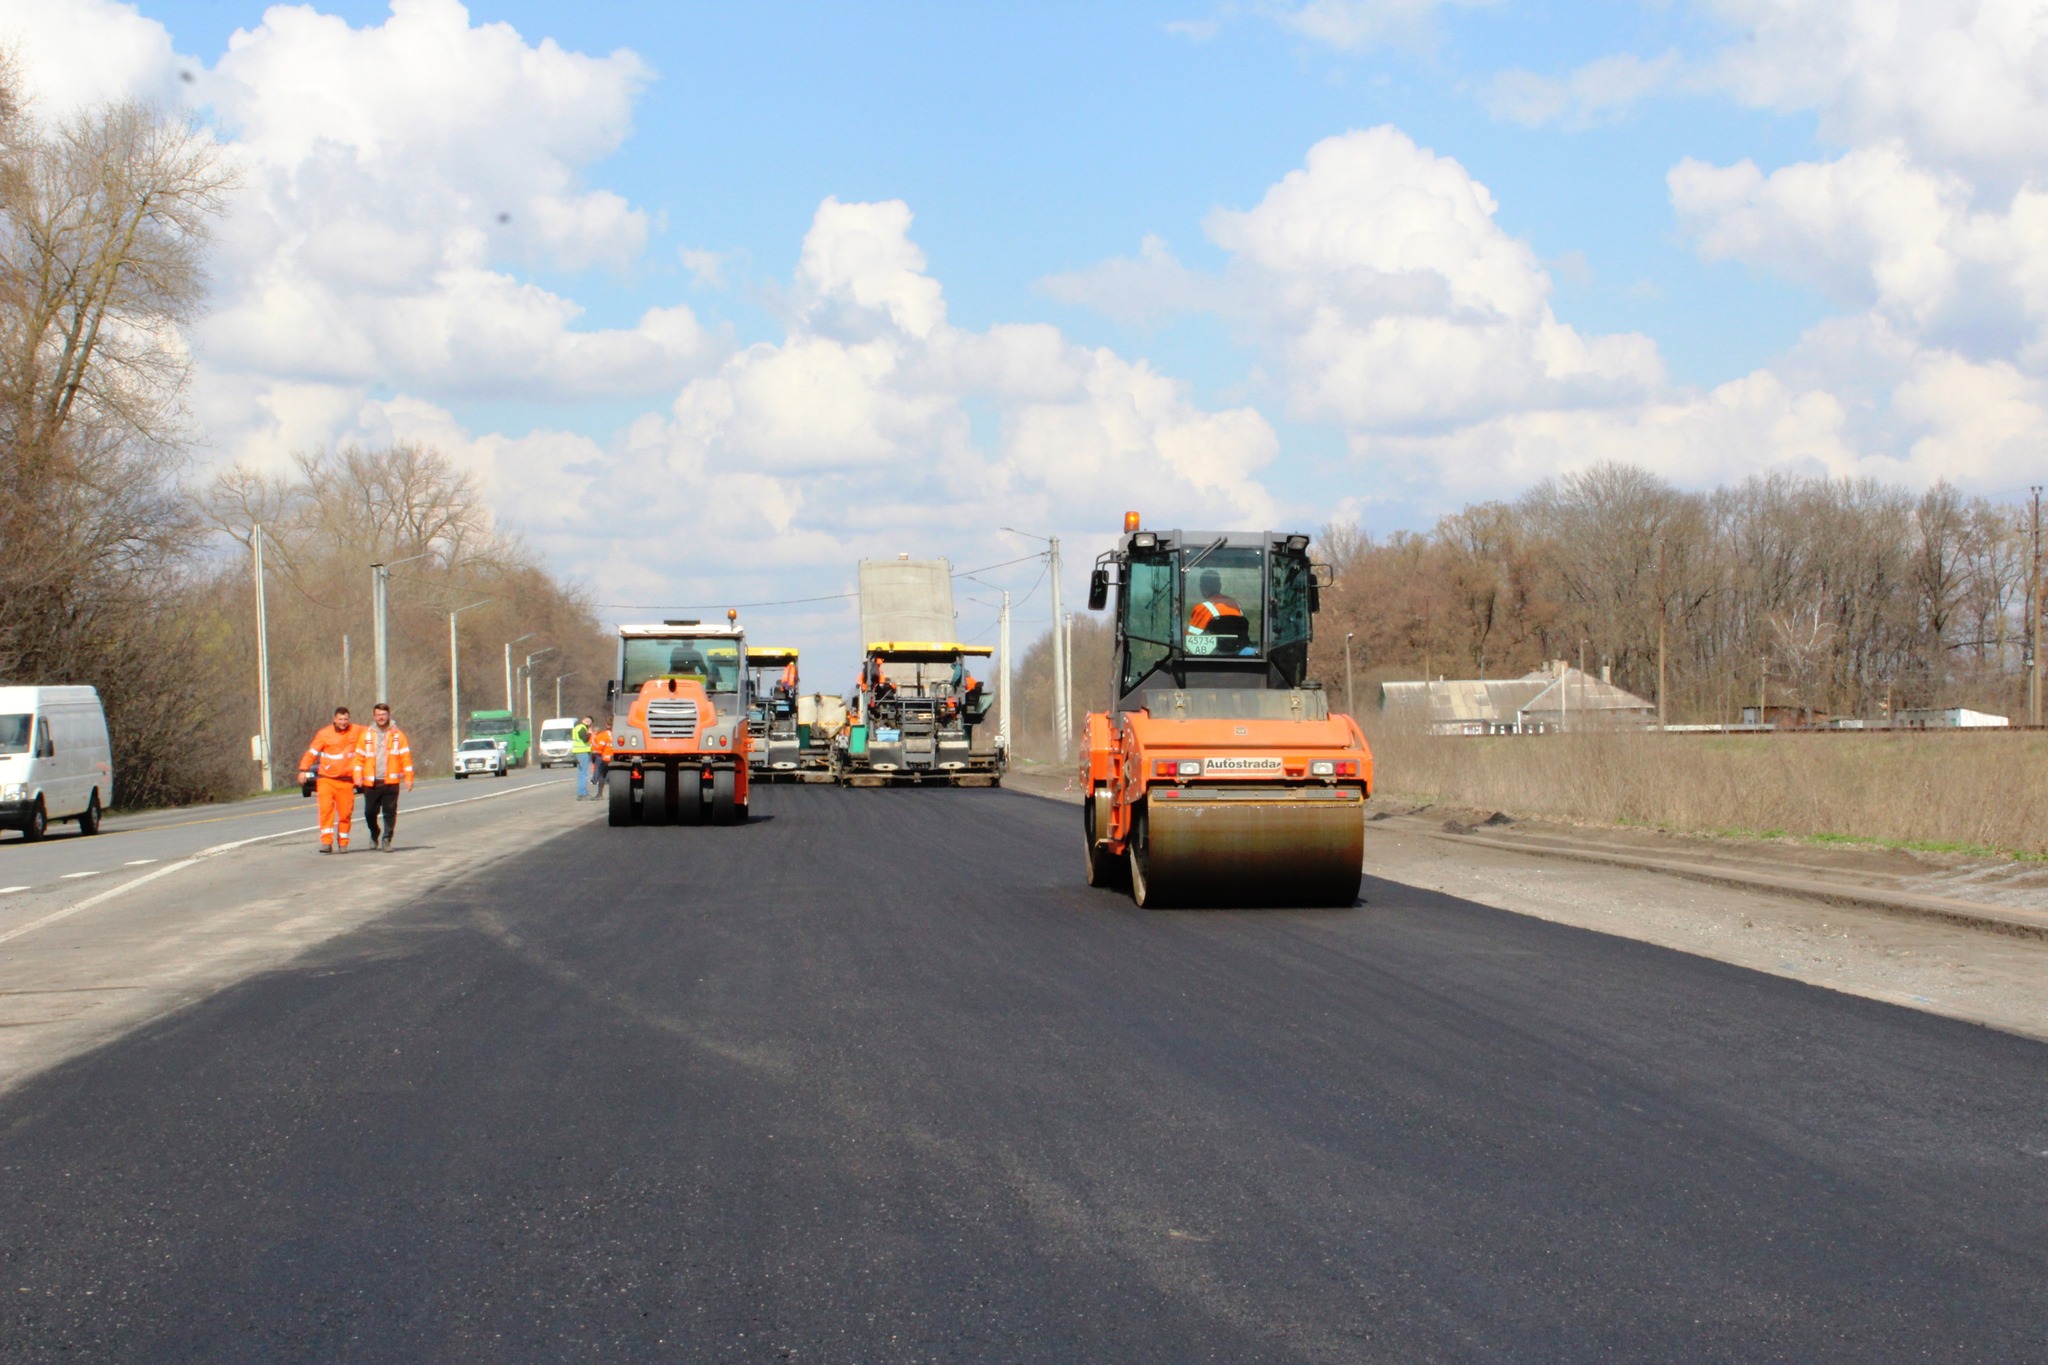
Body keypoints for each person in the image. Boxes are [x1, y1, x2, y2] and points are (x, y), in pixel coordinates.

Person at [299, 706, 361, 854]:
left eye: (346, 719)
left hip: (346, 781)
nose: (343, 722)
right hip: (326, 780)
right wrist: (303, 770)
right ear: (334, 719)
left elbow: (375, 731)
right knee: (326, 811)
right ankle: (326, 843)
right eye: (340, 719)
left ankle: (343, 842)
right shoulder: (324, 734)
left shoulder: (357, 730)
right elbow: (312, 753)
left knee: (345, 813)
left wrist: (392, 726)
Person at [353, 702, 415, 851]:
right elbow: (359, 758)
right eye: (378, 715)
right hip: (371, 782)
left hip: (390, 782)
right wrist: (357, 776)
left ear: (389, 715)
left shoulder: (398, 736)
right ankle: (374, 832)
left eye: (384, 714)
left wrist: (408, 778)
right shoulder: (366, 735)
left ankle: (387, 839)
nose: (381, 717)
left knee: (389, 812)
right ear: (374, 716)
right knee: (369, 812)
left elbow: (405, 758)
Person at [571, 716, 594, 799]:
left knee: (581, 774)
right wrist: (590, 733)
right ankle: (583, 794)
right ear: (588, 722)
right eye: (590, 724)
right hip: (582, 752)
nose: (589, 726)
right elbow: (584, 738)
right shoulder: (582, 728)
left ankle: (580, 793)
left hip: (577, 752)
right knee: (584, 774)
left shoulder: (576, 727)